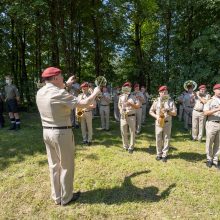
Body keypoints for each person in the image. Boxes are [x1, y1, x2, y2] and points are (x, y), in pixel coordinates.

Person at [36, 67, 100, 206]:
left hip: (46, 132)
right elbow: (83, 103)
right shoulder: (58, 92)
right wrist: (94, 93)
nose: (64, 79)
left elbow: (57, 92)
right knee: (66, 165)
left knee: (54, 166)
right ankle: (66, 197)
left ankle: (56, 196)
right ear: (55, 78)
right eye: (61, 76)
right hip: (61, 133)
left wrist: (68, 84)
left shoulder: (40, 92)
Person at [149, 86, 177, 162]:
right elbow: (151, 111)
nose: (164, 93)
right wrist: (156, 116)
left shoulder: (171, 101)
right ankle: (159, 154)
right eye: (162, 92)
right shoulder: (156, 101)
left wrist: (168, 111)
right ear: (159, 93)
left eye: (165, 92)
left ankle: (165, 155)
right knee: (158, 138)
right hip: (158, 122)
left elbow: (175, 113)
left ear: (167, 93)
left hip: (167, 123)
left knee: (166, 138)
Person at [118, 82, 141, 153]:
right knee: (123, 131)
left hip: (131, 116)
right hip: (123, 116)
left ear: (130, 89)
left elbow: (138, 106)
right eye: (125, 88)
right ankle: (125, 145)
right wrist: (120, 110)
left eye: (128, 88)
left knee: (132, 132)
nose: (127, 89)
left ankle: (131, 147)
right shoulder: (121, 96)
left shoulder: (134, 96)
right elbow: (119, 105)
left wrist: (130, 103)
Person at [203, 84, 220, 169]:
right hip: (212, 123)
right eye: (219, 89)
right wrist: (217, 109)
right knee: (209, 142)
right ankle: (209, 159)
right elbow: (205, 113)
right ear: (214, 90)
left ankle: (215, 160)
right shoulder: (210, 101)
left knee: (218, 143)